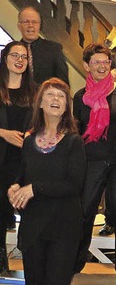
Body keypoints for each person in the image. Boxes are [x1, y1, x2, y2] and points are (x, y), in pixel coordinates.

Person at [8, 78, 85, 284]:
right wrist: (15, 187)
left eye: (61, 96)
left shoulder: (73, 142)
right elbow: (23, 176)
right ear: (40, 102)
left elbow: (74, 184)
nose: (56, 99)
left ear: (67, 107)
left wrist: (35, 188)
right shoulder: (29, 140)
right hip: (34, 225)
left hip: (63, 226)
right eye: (50, 94)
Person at [73, 43, 116, 272]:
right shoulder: (80, 97)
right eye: (96, 62)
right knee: (84, 212)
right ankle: (75, 264)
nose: (102, 66)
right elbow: (75, 130)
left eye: (105, 62)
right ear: (86, 66)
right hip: (90, 162)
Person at [0, 41, 36, 274]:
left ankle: (33, 264)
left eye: (24, 56)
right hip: (1, 159)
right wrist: (2, 133)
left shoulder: (35, 90)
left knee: (31, 213)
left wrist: (32, 133)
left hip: (27, 160)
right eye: (15, 55)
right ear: (5, 58)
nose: (20, 60)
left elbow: (45, 121)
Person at [17, 6, 69, 85]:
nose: (30, 25)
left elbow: (63, 83)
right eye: (26, 22)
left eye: (34, 22)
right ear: (19, 26)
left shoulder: (54, 49)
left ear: (40, 26)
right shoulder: (12, 51)